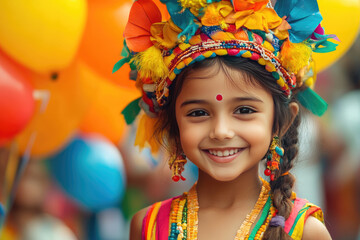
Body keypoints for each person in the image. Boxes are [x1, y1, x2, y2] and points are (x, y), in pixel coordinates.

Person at [113, 0, 338, 239]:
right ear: (173, 122)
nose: (221, 131)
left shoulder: (305, 232)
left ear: (282, 122)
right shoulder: (148, 227)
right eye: (198, 113)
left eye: (243, 110)